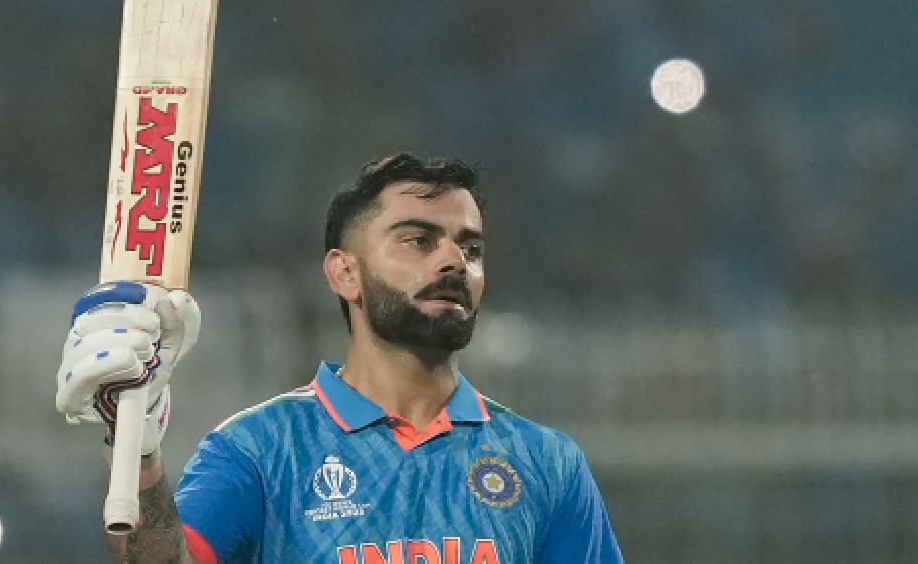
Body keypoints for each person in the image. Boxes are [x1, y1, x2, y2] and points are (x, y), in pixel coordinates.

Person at [57, 154, 624, 563]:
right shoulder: (260, 449)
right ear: (345, 273)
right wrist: (140, 450)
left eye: (470, 247)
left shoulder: (545, 462)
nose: (454, 260)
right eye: (418, 240)